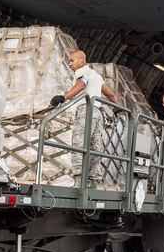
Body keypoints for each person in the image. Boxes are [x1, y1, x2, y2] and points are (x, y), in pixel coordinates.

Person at [50, 50, 118, 188]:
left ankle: (79, 179)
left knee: (78, 143)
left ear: (82, 60)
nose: (70, 64)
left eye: (72, 60)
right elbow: (110, 94)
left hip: (86, 111)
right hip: (98, 113)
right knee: (95, 147)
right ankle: (93, 181)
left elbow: (81, 85)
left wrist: (63, 97)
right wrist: (117, 109)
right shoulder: (97, 76)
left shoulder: (82, 72)